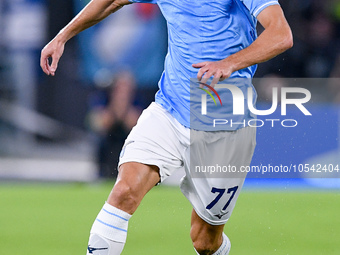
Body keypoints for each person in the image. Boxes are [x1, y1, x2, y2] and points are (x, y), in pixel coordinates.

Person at [40, 0, 293, 254]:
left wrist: (230, 63)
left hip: (224, 121)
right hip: (170, 110)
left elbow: (281, 34)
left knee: (205, 241)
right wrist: (63, 36)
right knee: (124, 192)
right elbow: (112, 2)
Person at [88, 71, 140, 178]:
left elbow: (135, 124)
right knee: (99, 140)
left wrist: (125, 109)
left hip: (129, 140)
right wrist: (115, 107)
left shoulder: (138, 99)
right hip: (109, 141)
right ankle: (101, 174)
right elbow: (97, 123)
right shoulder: (103, 98)